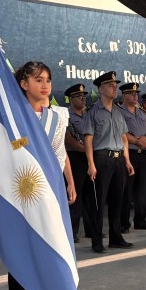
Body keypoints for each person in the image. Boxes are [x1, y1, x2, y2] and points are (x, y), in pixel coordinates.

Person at [7, 61, 76, 290]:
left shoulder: (56, 118)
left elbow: (58, 154)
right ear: (24, 84)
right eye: (38, 80)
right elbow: (10, 150)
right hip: (21, 196)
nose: (45, 84)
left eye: (47, 79)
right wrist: (27, 142)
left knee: (43, 256)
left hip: (47, 196)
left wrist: (63, 185)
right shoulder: (12, 116)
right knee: (21, 257)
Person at [82, 71, 134, 253]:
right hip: (102, 158)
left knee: (117, 200)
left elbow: (124, 137)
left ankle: (116, 237)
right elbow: (88, 139)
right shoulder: (93, 112)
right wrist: (91, 164)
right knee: (99, 201)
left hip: (119, 159)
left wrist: (127, 160)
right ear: (101, 89)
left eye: (115, 85)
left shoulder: (119, 112)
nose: (114, 88)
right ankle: (97, 241)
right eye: (110, 85)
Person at [118, 83, 146, 232]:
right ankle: (123, 223)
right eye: (131, 93)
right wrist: (136, 141)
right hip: (129, 154)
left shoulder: (141, 113)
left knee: (143, 190)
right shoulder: (119, 112)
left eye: (136, 93)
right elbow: (120, 132)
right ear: (124, 95)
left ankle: (141, 220)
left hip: (143, 155)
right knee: (126, 190)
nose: (135, 96)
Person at [64, 83, 93, 243]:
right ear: (71, 99)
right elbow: (68, 139)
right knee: (75, 196)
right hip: (75, 158)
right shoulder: (65, 116)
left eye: (83, 96)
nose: (83, 99)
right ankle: (72, 231)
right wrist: (87, 150)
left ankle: (91, 230)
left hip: (90, 158)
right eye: (79, 97)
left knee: (91, 195)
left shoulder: (89, 114)